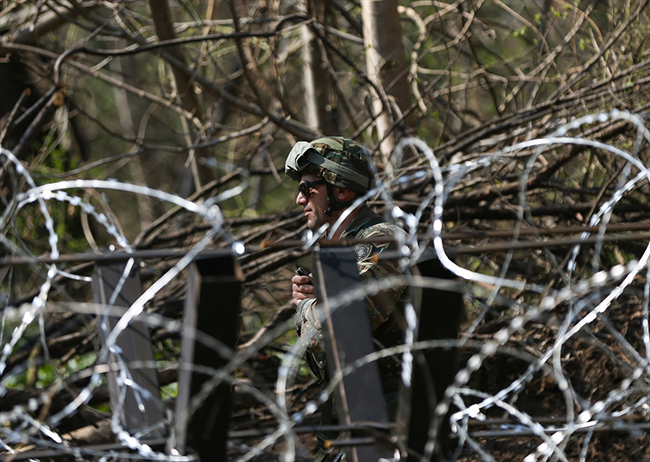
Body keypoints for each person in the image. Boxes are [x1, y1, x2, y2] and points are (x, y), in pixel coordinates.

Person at [285, 136, 407, 417]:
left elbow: (338, 328)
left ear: (341, 191)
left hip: (395, 415)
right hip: (360, 408)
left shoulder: (382, 240)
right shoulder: (341, 249)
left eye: (308, 188)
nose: (299, 198)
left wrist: (306, 306)